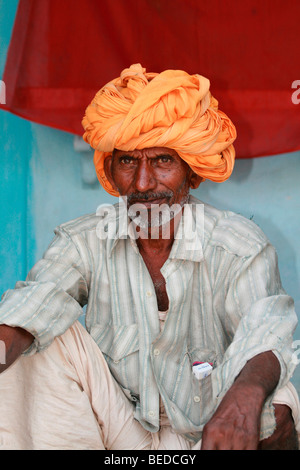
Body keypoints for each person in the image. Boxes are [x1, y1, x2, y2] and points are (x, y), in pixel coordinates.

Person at [0, 64, 299, 450]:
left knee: (277, 400)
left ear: (192, 173)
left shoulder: (237, 245)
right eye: (128, 161)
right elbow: (35, 304)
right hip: (122, 430)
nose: (143, 184)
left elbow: (266, 333)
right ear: (110, 168)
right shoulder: (85, 241)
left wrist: (244, 398)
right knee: (37, 341)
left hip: (211, 431)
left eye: (162, 161)